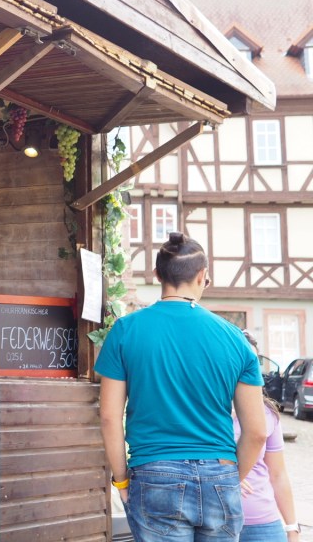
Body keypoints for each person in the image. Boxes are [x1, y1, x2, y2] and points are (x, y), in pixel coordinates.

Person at [96, 231, 267, 542]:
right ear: (202, 276)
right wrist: (229, 479)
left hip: (154, 472)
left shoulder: (125, 330)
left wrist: (121, 481)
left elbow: (109, 417)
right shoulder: (235, 339)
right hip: (220, 473)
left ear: (157, 274)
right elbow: (256, 432)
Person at [235, 332, 301, 542]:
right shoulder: (205, 409)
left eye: (254, 361)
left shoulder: (267, 412)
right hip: (216, 522)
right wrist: (228, 476)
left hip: (263, 525)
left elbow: (278, 474)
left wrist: (292, 528)